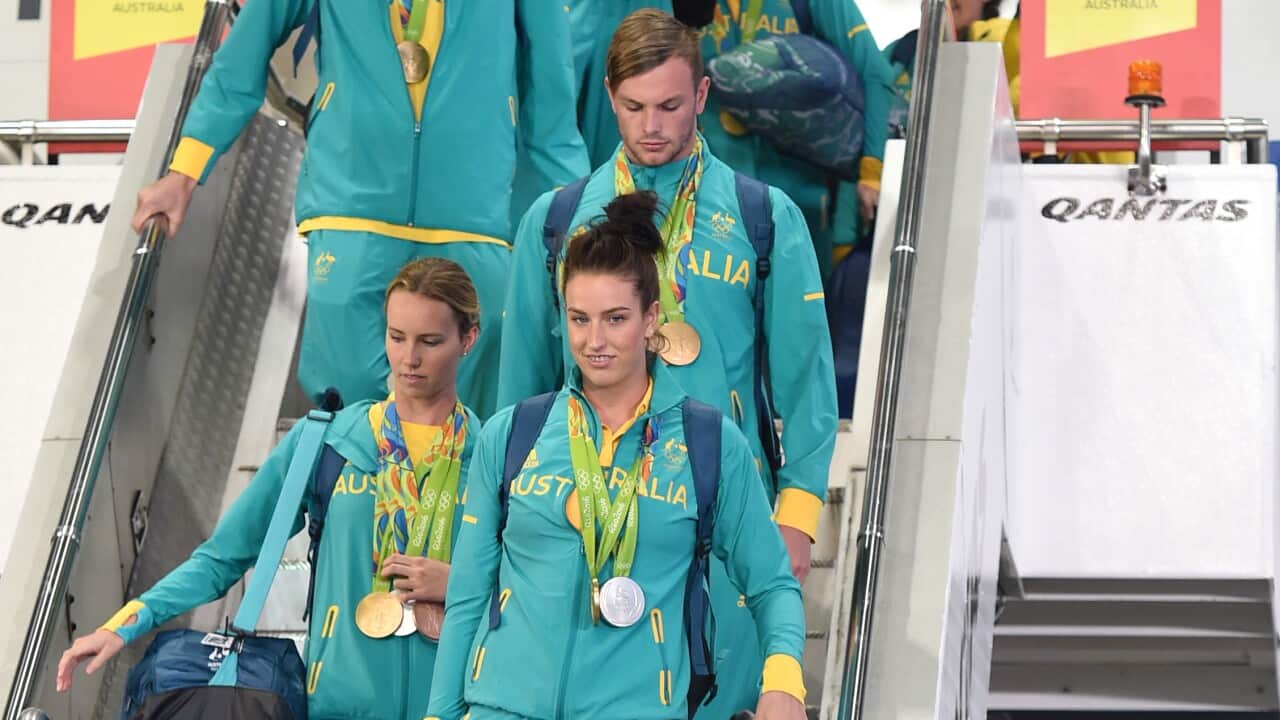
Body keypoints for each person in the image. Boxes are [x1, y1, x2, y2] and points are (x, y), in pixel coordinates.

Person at [498, 9, 836, 716]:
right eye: (633, 107)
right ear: (612, 98)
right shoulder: (556, 221)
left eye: (671, 106)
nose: (652, 126)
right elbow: (520, 391)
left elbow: (806, 380)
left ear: (704, 96)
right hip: (584, 513)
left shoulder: (761, 216)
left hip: (719, 514)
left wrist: (797, 514)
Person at [429, 192, 807, 720]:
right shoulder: (512, 434)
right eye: (579, 319)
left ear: (651, 319)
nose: (595, 341)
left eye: (616, 318)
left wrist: (784, 682)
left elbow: (772, 586)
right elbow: (468, 599)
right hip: (501, 707)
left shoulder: (710, 444)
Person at [58, 258, 485, 720]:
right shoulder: (326, 441)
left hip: (458, 705)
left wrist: (459, 583)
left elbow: (537, 588)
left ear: (468, 339)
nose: (409, 359)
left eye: (430, 341)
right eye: (396, 337)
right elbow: (223, 557)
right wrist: (127, 623)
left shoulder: (497, 454)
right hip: (338, 707)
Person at [130, 0, 590, 418]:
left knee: (472, 417)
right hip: (351, 205)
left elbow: (551, 100)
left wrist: (580, 218)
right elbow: (241, 60)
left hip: (474, 214)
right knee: (346, 406)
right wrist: (184, 172)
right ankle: (345, 507)